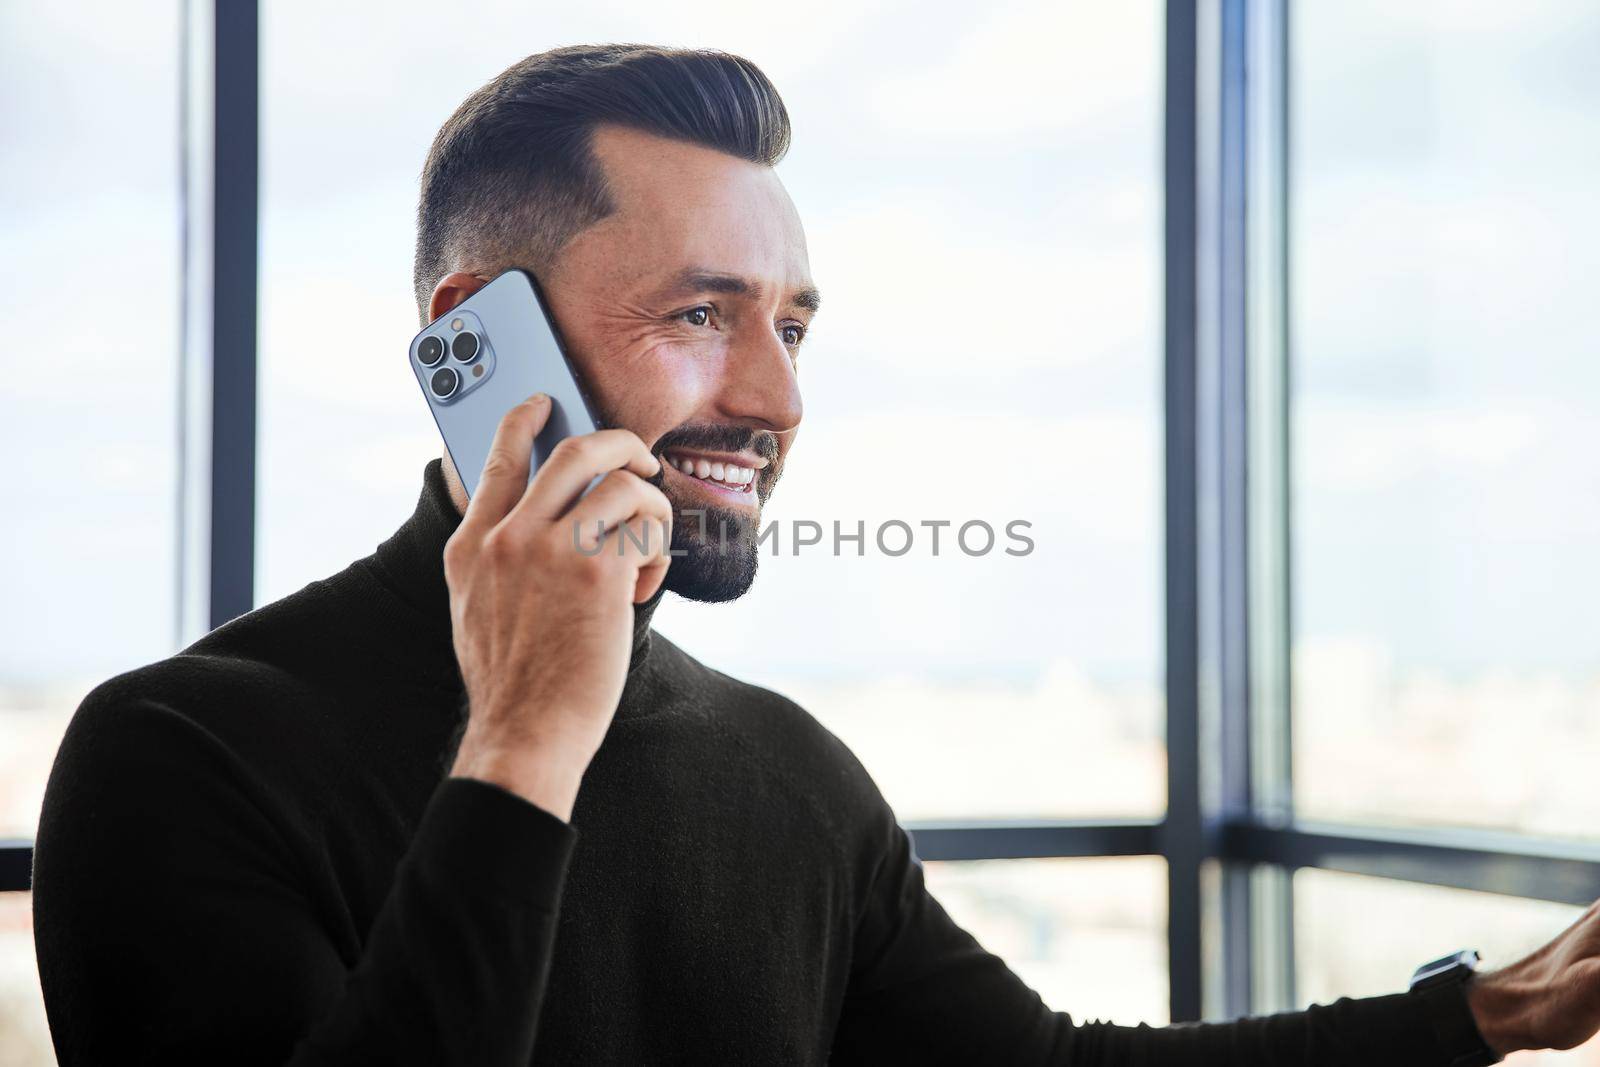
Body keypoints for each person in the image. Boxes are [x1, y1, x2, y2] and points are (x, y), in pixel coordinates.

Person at [29, 43, 1600, 1066]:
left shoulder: (783, 770)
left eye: (789, 325)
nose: (777, 399)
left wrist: (1484, 1013)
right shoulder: (180, 753)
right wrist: (519, 746)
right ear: (477, 345)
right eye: (701, 315)